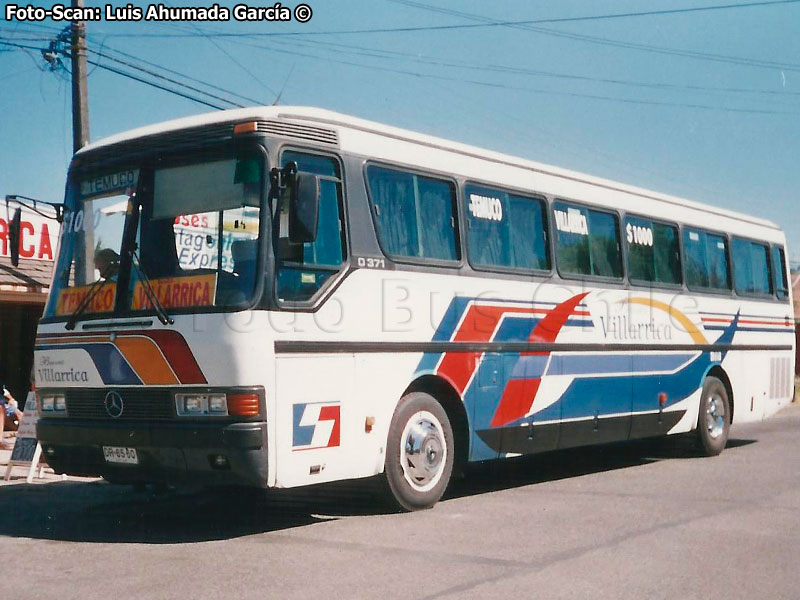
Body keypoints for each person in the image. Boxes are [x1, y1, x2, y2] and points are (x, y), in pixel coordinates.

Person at [0, 380, 23, 450]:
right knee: (1, 409)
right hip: (2, 405)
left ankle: (27, 437)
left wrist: (11, 399)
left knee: (20, 414)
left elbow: (4, 392)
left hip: (5, 404)